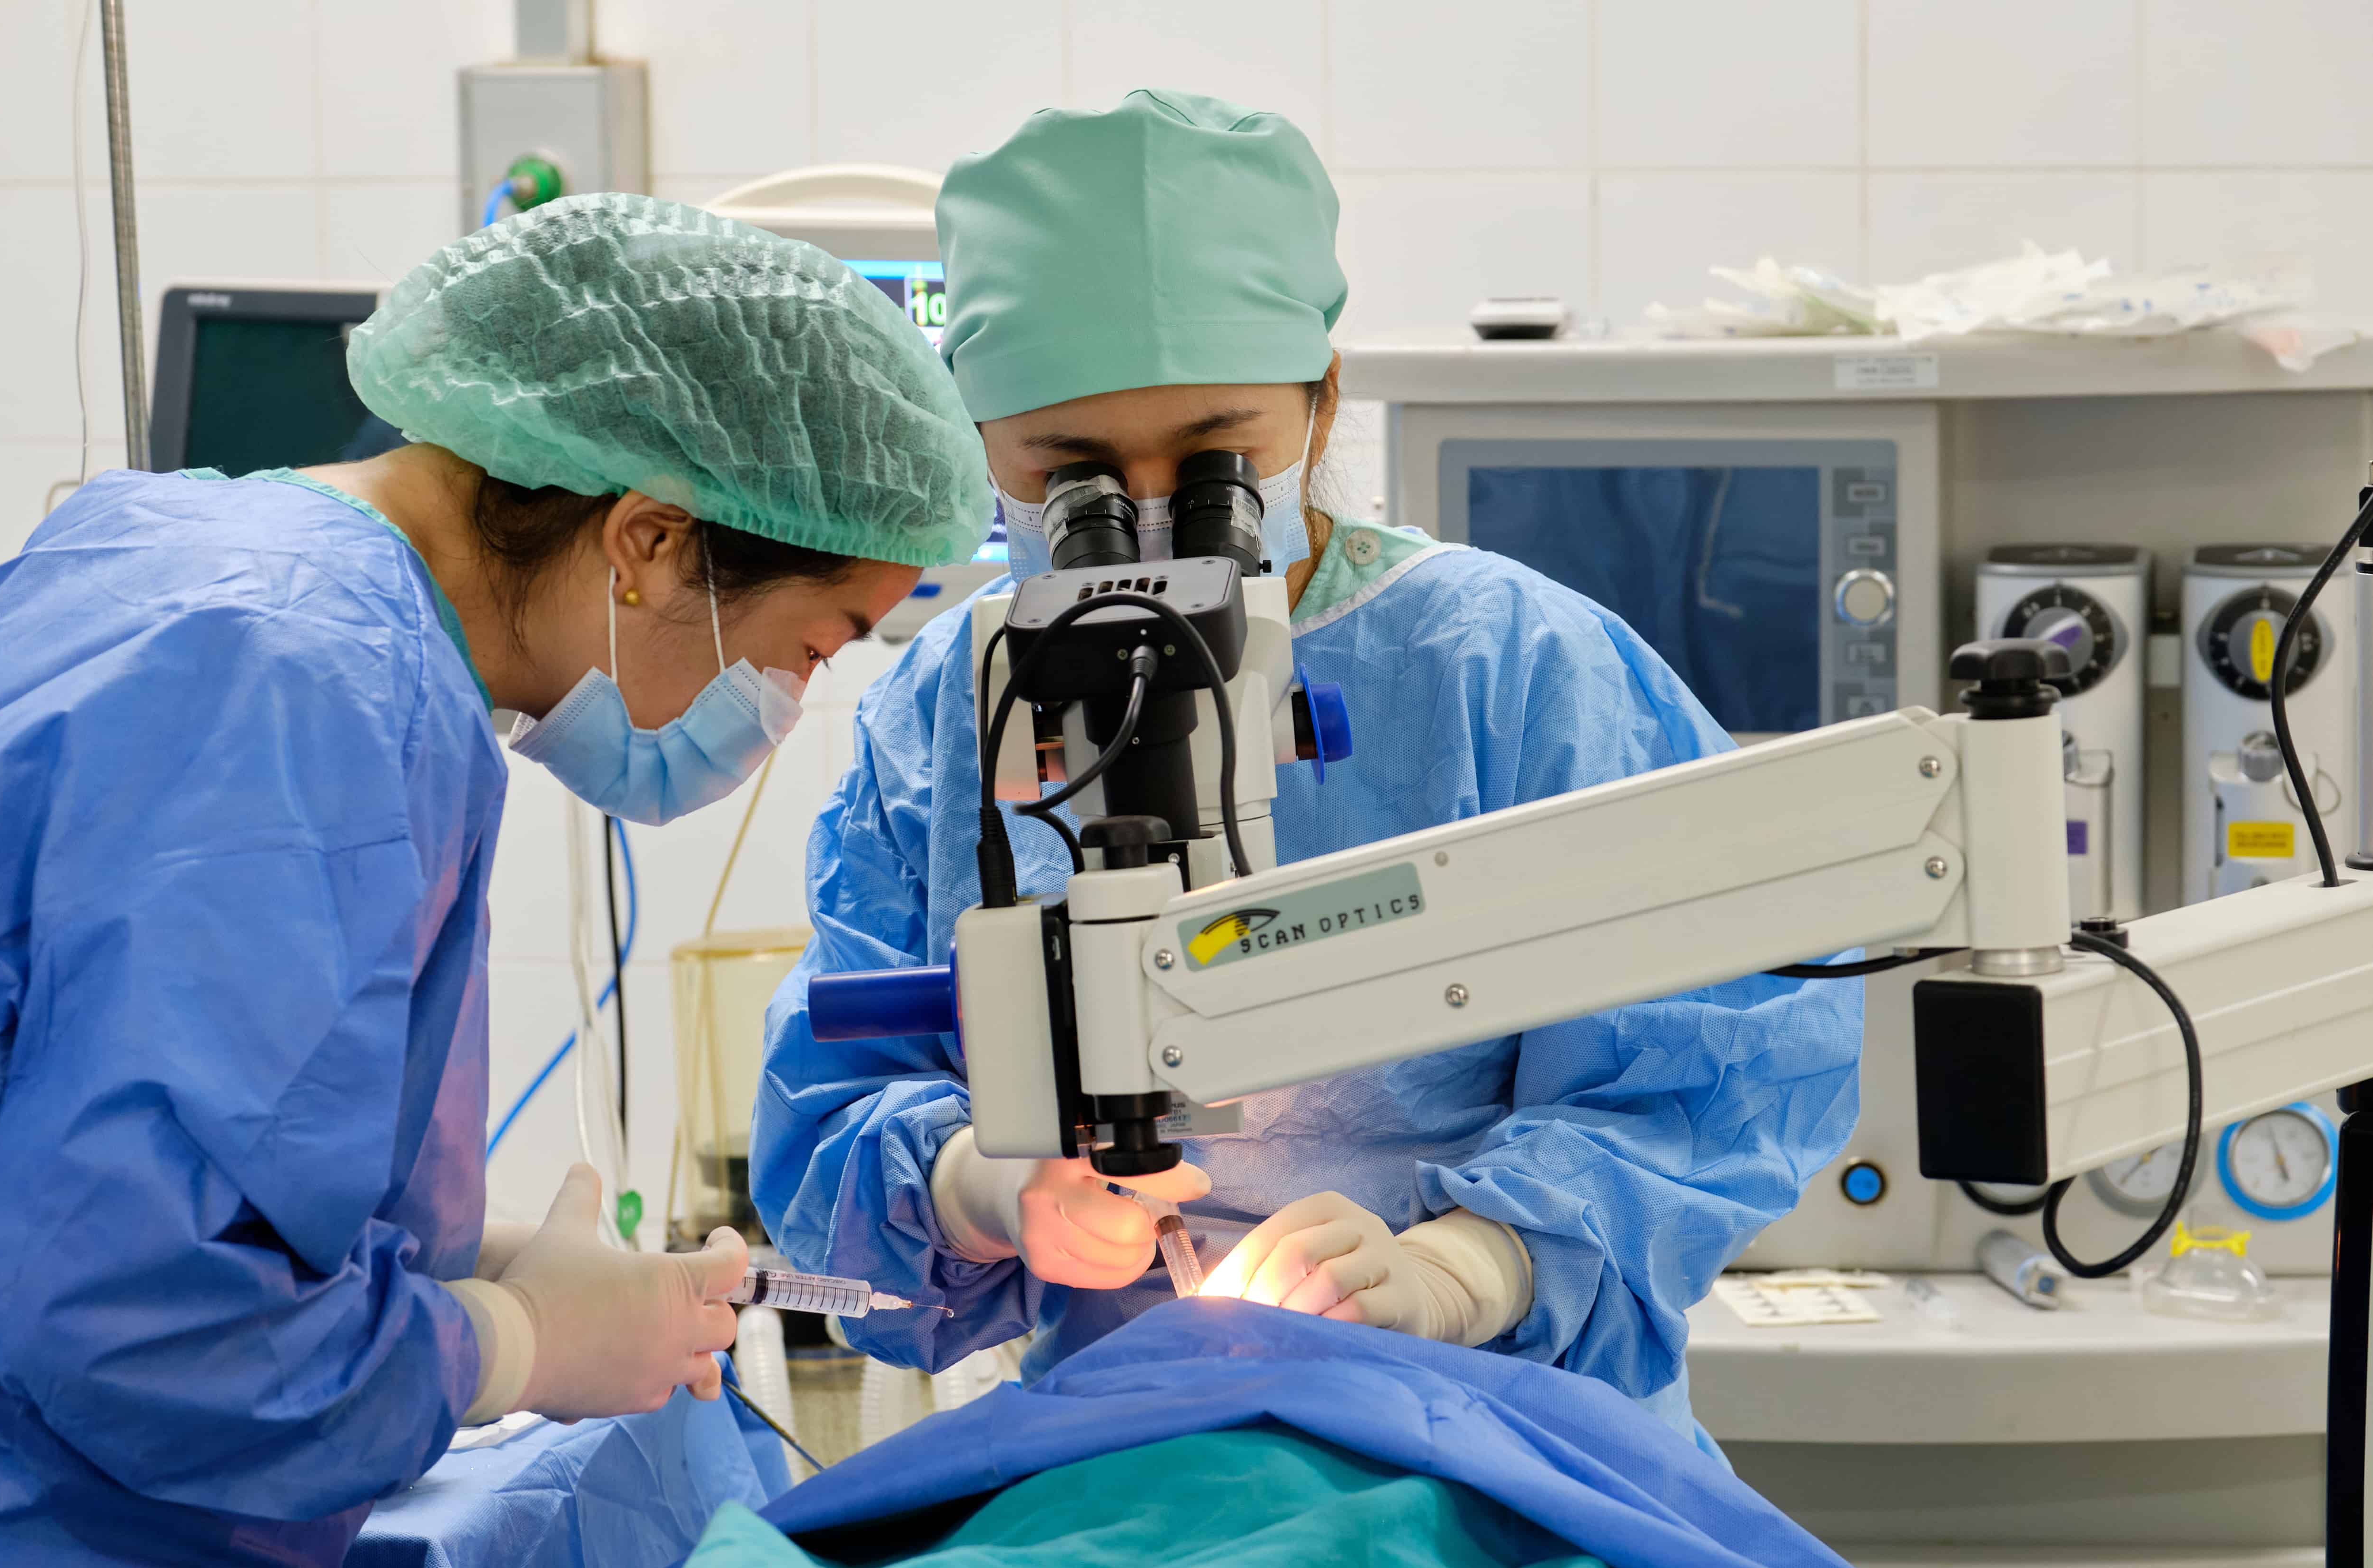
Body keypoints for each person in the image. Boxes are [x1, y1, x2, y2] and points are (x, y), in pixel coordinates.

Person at [0, 195, 990, 1568]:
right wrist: (511, 1346)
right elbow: (136, 1321)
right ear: (644, 539)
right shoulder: (302, 688)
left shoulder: (177, 557)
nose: (778, 707)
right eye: (812, 645)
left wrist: (457, 1261)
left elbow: (13, 1107)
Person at [753, 92, 1862, 1449]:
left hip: (1501, 1438)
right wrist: (987, 1185)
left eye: (1217, 460)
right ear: (978, 437)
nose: (1149, 521)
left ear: (1324, 397)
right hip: (1117, 1442)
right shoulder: (946, 715)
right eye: (1074, 471)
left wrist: (1470, 1268)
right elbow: (836, 1107)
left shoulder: (1514, 669)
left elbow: (1710, 1071)